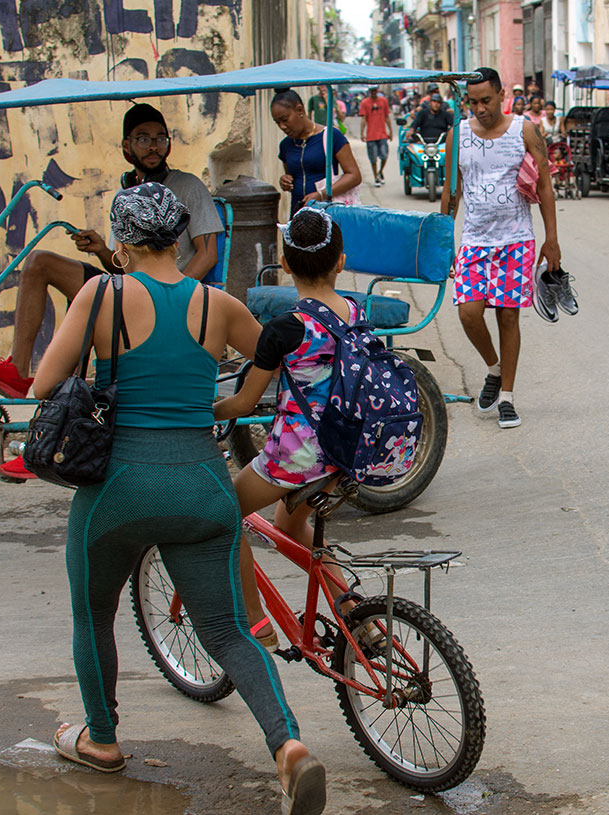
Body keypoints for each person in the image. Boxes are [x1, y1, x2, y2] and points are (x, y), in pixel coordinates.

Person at [33, 184, 325, 815]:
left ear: (124, 241)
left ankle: (102, 740)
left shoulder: (101, 293)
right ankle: (289, 747)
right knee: (227, 630)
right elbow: (279, 351)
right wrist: (242, 401)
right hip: (204, 483)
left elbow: (44, 383)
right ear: (180, 239)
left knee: (93, 613)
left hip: (117, 487)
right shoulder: (215, 304)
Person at [0, 103, 223, 482]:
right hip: (126, 285)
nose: (153, 146)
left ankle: (55, 443)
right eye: (143, 139)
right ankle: (20, 372)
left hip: (168, 288)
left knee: (92, 312)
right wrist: (102, 249)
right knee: (39, 262)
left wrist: (174, 291)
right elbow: (120, 264)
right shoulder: (126, 193)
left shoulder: (187, 186)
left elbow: (208, 253)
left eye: (159, 139)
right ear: (126, 146)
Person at [215, 208, 368, 651]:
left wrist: (205, 412)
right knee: (289, 529)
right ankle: (357, 615)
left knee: (222, 514)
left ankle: (257, 623)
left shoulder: (284, 330)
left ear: (284, 264)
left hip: (298, 458)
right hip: (347, 450)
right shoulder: (355, 312)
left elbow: (244, 403)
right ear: (341, 262)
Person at [441, 66, 563, 429]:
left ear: (501, 96)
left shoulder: (524, 130)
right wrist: (444, 240)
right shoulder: (457, 136)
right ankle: (493, 369)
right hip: (475, 240)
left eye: (486, 101)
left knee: (508, 316)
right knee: (468, 312)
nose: (480, 108)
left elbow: (544, 187)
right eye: (473, 102)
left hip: (516, 239)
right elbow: (452, 193)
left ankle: (507, 397)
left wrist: (551, 239)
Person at [272, 88, 362, 216]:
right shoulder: (286, 145)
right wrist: (285, 181)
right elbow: (293, 177)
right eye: (277, 122)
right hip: (299, 218)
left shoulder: (331, 136)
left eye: (285, 120)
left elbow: (354, 176)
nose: (282, 126)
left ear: (300, 110)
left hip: (327, 215)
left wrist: (321, 194)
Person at [359, 85, 394, 187]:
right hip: (371, 135)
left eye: (375, 91)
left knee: (384, 155)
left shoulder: (383, 101)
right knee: (373, 158)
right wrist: (362, 133)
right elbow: (364, 119)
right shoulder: (365, 103)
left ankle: (380, 171)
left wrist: (390, 131)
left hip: (382, 134)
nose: (373, 93)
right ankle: (376, 178)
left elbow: (387, 117)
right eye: (372, 91)